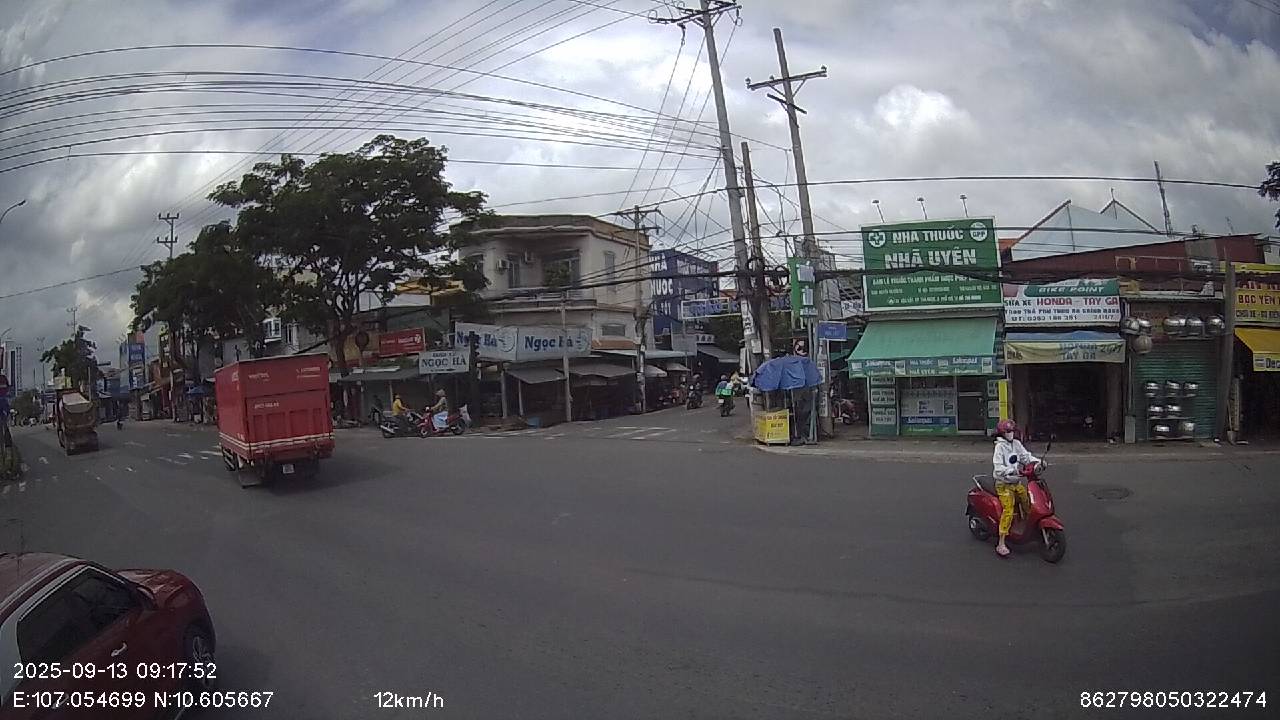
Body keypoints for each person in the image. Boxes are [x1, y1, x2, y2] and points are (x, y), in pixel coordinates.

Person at [992, 419, 1041, 557]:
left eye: (1012, 431)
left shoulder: (1016, 444)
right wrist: (1011, 471)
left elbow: (1026, 457)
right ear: (1002, 433)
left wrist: (1038, 462)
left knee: (1027, 500)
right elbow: (998, 467)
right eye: (1008, 431)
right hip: (1003, 484)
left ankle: (1028, 526)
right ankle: (1001, 542)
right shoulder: (999, 447)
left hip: (1015, 482)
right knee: (1008, 509)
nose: (1011, 433)